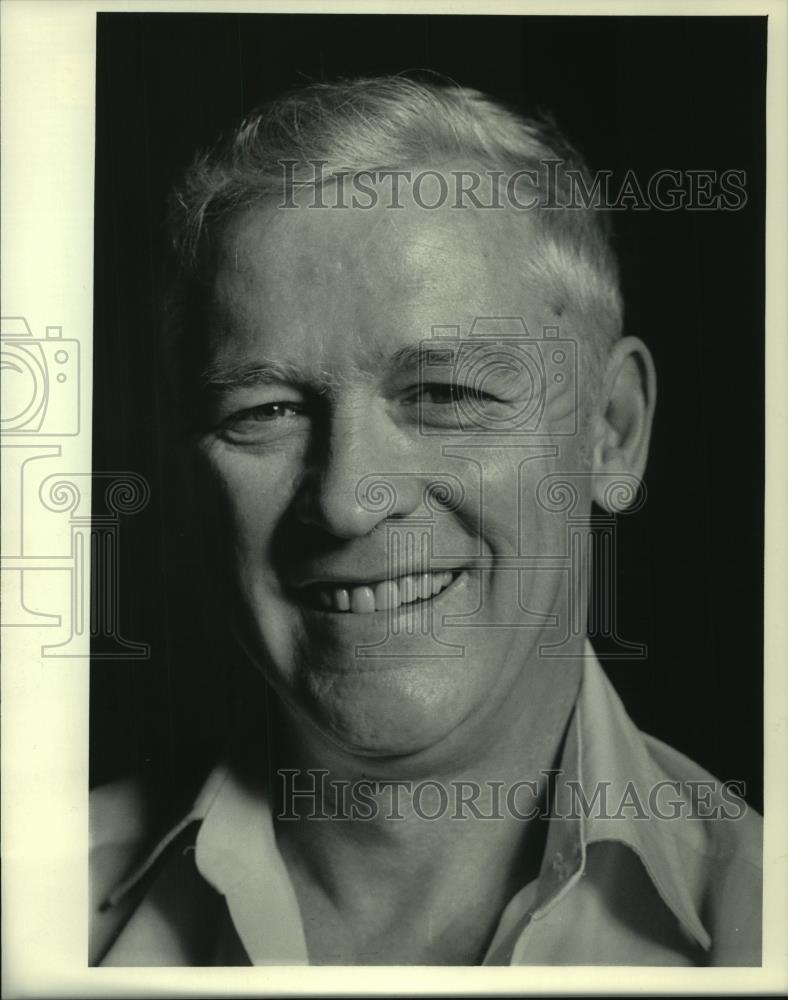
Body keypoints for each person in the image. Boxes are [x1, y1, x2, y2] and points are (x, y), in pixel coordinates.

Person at [89, 77, 762, 966]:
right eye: (265, 410)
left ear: (611, 433)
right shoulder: (36, 909)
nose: (346, 499)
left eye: (444, 392)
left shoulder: (763, 919)